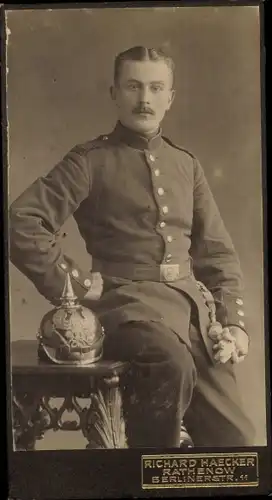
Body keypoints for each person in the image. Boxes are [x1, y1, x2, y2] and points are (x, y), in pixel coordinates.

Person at [9, 46, 255, 448]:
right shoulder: (90, 160)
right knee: (169, 365)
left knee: (240, 444)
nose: (145, 99)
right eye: (134, 86)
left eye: (156, 88)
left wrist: (233, 323)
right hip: (125, 306)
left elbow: (217, 253)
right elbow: (22, 222)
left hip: (191, 314)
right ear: (114, 93)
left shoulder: (185, 164)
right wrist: (75, 285)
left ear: (170, 97)